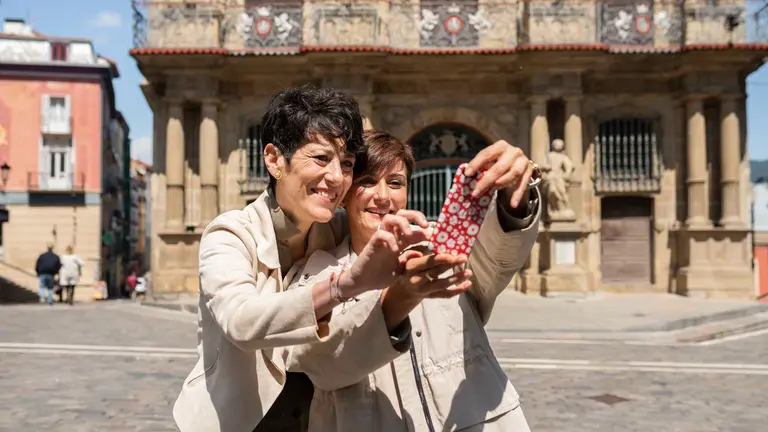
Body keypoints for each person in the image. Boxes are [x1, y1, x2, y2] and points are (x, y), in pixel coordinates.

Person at [172, 86, 458, 432]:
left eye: (348, 164)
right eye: (321, 159)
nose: (337, 177)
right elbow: (241, 322)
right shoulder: (230, 234)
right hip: (237, 421)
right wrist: (343, 285)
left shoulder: (336, 227)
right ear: (275, 159)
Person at [284, 130, 540, 431]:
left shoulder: (441, 252)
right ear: (344, 193)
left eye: (395, 183)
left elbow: (497, 257)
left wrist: (514, 197)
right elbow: (318, 364)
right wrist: (394, 303)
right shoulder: (316, 275)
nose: (383, 196)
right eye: (367, 182)